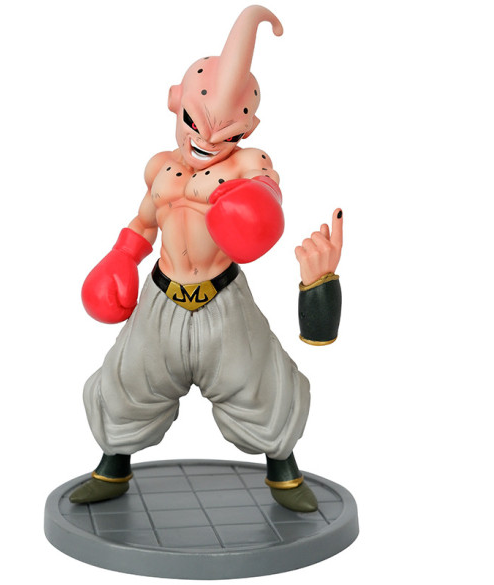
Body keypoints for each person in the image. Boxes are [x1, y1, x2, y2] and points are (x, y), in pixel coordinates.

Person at [70, 6, 343, 512]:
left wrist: (256, 209)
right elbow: (145, 222)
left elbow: (266, 197)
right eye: (195, 122)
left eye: (229, 132)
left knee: (261, 384)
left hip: (223, 302)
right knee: (127, 381)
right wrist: (120, 256)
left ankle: (284, 471)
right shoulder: (160, 168)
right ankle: (113, 466)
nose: (207, 140)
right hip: (161, 297)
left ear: (249, 127)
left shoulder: (248, 163)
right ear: (175, 102)